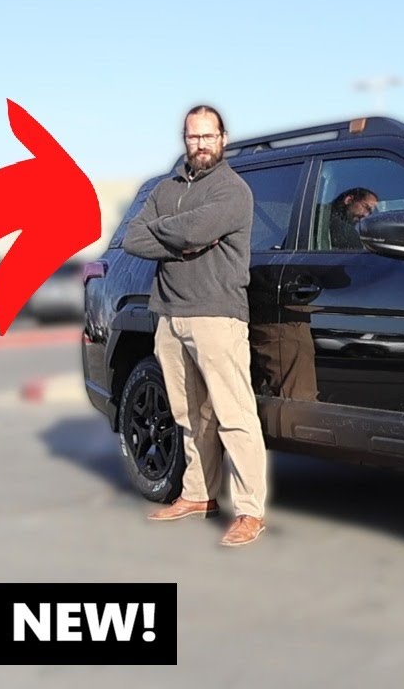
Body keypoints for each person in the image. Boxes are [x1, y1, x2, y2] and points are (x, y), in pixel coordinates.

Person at [121, 104, 269, 548]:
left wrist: (172, 234)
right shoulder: (165, 188)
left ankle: (250, 511)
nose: (200, 144)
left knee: (234, 415)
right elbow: (133, 238)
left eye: (208, 136)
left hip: (216, 314)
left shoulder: (232, 191)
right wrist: (179, 241)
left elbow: (192, 233)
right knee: (190, 414)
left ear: (223, 138)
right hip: (169, 313)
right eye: (193, 136)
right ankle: (198, 495)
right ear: (184, 139)